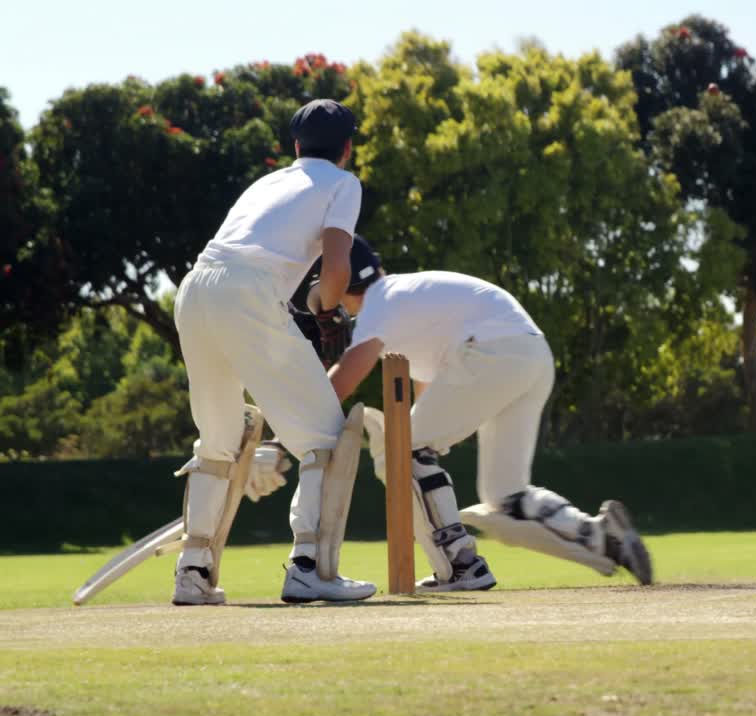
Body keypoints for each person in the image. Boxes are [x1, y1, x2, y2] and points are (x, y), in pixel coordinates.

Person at [309, 241, 653, 589]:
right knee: (504, 498)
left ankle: (461, 564)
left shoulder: (380, 301)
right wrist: (428, 443)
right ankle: (600, 535)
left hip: (491, 351)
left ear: (344, 280)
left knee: (399, 451)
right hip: (531, 354)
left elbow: (349, 372)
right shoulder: (407, 298)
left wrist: (293, 425)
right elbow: (425, 387)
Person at [170, 99, 375, 605]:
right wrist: (327, 310)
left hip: (196, 289)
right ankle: (309, 567)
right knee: (327, 435)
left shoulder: (266, 183)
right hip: (248, 291)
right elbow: (336, 270)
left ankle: (192, 573)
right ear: (347, 148)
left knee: (217, 439)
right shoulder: (344, 183)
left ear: (296, 146)